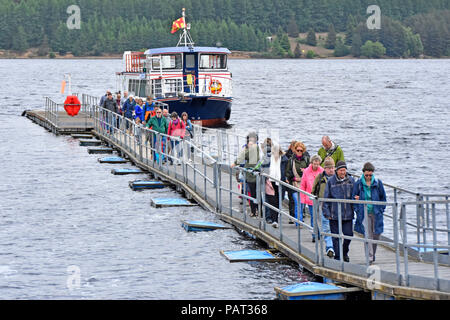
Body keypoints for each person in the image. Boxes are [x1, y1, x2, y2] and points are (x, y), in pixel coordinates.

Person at [353, 162, 387, 264]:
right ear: (363, 173)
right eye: (366, 175)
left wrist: (381, 209)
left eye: (370, 175)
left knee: (377, 234)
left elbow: (383, 198)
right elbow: (353, 197)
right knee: (368, 235)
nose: (368, 177)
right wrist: (357, 209)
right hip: (364, 212)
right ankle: (370, 256)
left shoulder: (378, 183)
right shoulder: (358, 184)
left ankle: (373, 254)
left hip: (376, 212)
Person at [322, 160, 355, 262]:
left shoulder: (351, 180)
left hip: (347, 214)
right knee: (336, 238)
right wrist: (327, 213)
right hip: (334, 214)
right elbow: (326, 198)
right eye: (341, 170)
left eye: (344, 170)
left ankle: (344, 252)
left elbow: (355, 196)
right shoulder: (331, 181)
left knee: (349, 235)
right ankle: (338, 257)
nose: (342, 172)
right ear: (337, 170)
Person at [231, 132, 260, 217]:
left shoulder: (251, 149)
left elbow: (242, 157)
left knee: (252, 193)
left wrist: (235, 163)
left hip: (251, 174)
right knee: (257, 193)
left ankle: (254, 211)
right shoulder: (258, 148)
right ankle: (259, 211)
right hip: (258, 173)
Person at [311, 157, 336, 258]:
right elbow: (313, 190)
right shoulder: (320, 177)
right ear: (324, 168)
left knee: (335, 228)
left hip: (336, 206)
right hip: (324, 205)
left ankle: (334, 246)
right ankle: (330, 247)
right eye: (329, 168)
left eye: (333, 167)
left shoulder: (337, 178)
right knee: (326, 227)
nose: (331, 170)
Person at [300, 154, 324, 242]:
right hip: (310, 198)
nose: (316, 165)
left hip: (320, 198)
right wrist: (302, 198)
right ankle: (314, 234)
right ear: (312, 163)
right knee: (313, 216)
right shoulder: (306, 171)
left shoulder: (322, 171)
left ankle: (320, 233)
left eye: (318, 164)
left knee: (320, 217)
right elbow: (303, 185)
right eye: (315, 163)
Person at [285, 141, 310, 223]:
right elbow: (287, 172)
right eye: (298, 150)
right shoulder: (291, 160)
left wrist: (305, 171)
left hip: (303, 184)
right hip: (294, 184)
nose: (299, 152)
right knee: (297, 202)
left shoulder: (306, 160)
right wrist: (294, 178)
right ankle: (298, 221)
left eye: (301, 150)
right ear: (295, 150)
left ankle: (299, 218)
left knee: (302, 203)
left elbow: (310, 171)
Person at [265, 143, 284, 228]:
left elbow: (285, 171)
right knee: (272, 201)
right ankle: (274, 220)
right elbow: (262, 166)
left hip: (279, 182)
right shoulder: (268, 158)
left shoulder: (283, 159)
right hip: (270, 181)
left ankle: (275, 218)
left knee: (278, 200)